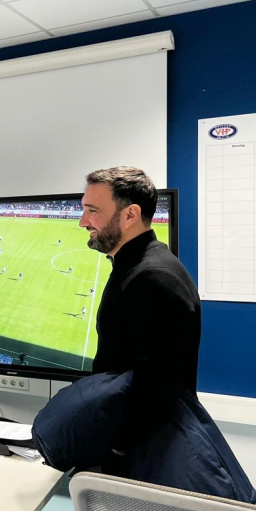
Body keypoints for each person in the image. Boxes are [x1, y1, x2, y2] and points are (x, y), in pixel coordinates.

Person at [78, 166, 202, 473]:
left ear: (130, 215)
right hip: (131, 449)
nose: (83, 221)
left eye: (93, 211)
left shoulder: (153, 278)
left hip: (141, 458)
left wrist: (114, 448)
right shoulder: (135, 266)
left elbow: (156, 389)